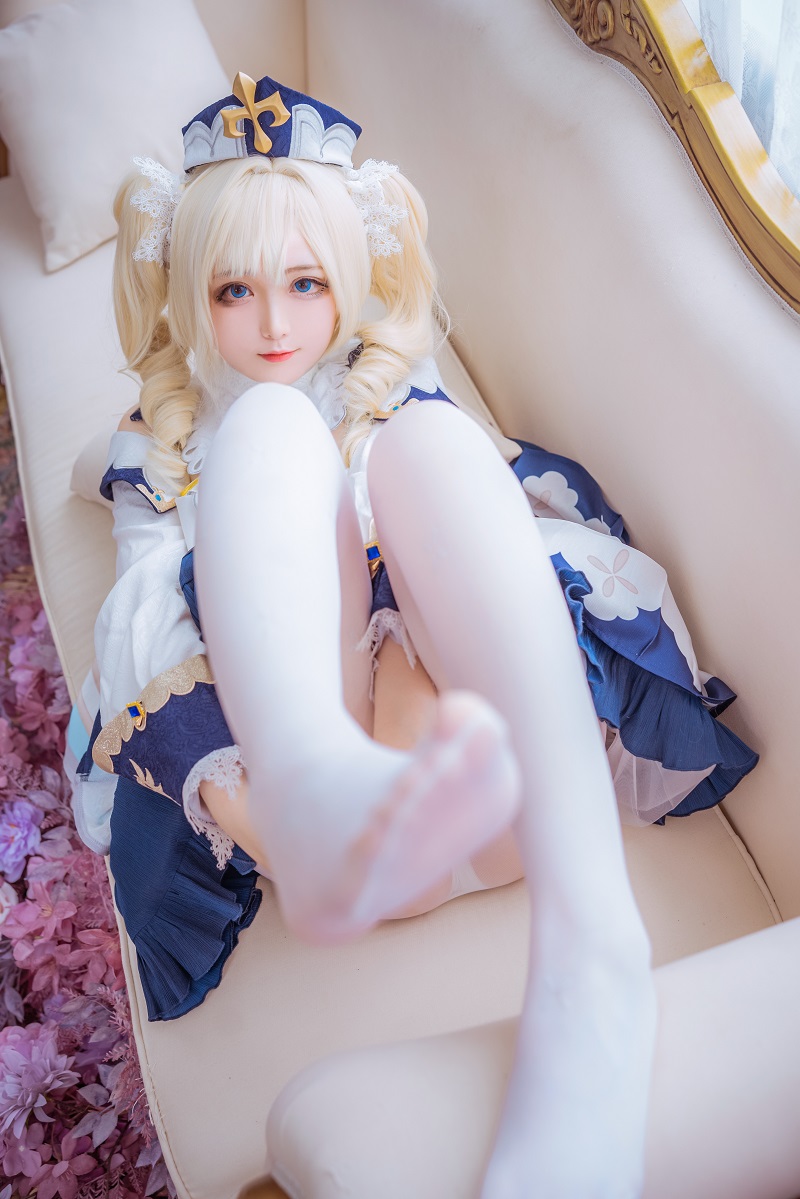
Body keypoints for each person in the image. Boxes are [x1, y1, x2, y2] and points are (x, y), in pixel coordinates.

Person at [73, 71, 758, 1197]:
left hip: (507, 788)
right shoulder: (177, 443)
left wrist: (404, 647)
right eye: (234, 291)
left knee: (435, 444)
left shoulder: (389, 390)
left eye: (305, 283)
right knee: (269, 432)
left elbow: (488, 552)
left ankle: (592, 956)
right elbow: (145, 625)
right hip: (344, 831)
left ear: (351, 275)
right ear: (190, 295)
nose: (276, 325)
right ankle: (321, 794)